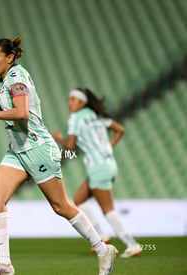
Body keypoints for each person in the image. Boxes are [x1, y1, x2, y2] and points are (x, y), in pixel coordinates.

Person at [0, 37, 117, 275]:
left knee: (61, 206)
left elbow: (22, 113)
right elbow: (35, 102)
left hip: (38, 149)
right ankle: (4, 264)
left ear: (9, 58)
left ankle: (103, 250)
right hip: (18, 150)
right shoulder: (10, 77)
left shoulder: (16, 78)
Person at [54, 88, 142, 258]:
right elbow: (120, 130)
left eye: (73, 99)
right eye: (69, 99)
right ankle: (101, 236)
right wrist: (108, 147)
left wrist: (60, 139)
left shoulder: (75, 118)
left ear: (81, 102)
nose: (69, 103)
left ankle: (132, 244)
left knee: (108, 209)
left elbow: (71, 148)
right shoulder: (97, 115)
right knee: (78, 200)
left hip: (97, 167)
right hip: (108, 163)